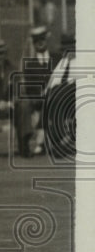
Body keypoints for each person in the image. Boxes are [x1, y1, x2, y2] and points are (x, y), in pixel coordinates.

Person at [14, 26, 59, 157]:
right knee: (26, 105)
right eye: (36, 41)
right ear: (33, 44)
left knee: (52, 99)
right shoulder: (28, 64)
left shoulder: (57, 59)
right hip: (37, 100)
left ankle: (42, 141)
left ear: (46, 40)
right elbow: (27, 88)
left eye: (42, 40)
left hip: (55, 98)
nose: (39, 43)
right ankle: (32, 142)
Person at [43, 33, 76, 161]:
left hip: (76, 96)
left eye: (72, 49)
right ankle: (59, 141)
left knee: (59, 95)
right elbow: (53, 82)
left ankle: (62, 142)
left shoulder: (83, 61)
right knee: (52, 98)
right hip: (63, 97)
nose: (69, 53)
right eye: (66, 50)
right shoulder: (63, 63)